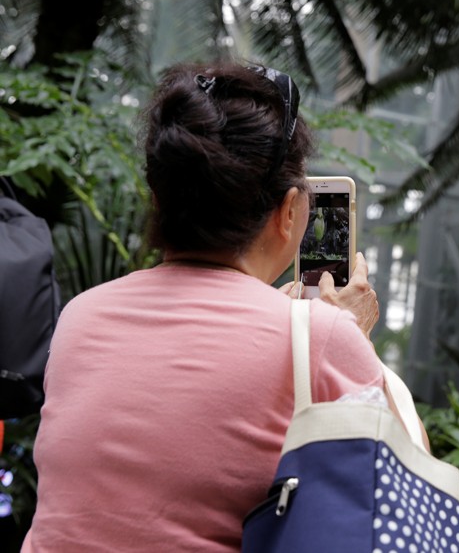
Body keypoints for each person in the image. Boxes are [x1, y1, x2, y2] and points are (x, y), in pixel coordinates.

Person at [22, 62, 392, 552]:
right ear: (288, 213)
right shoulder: (318, 337)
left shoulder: (80, 316)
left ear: (157, 199)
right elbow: (406, 502)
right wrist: (349, 333)